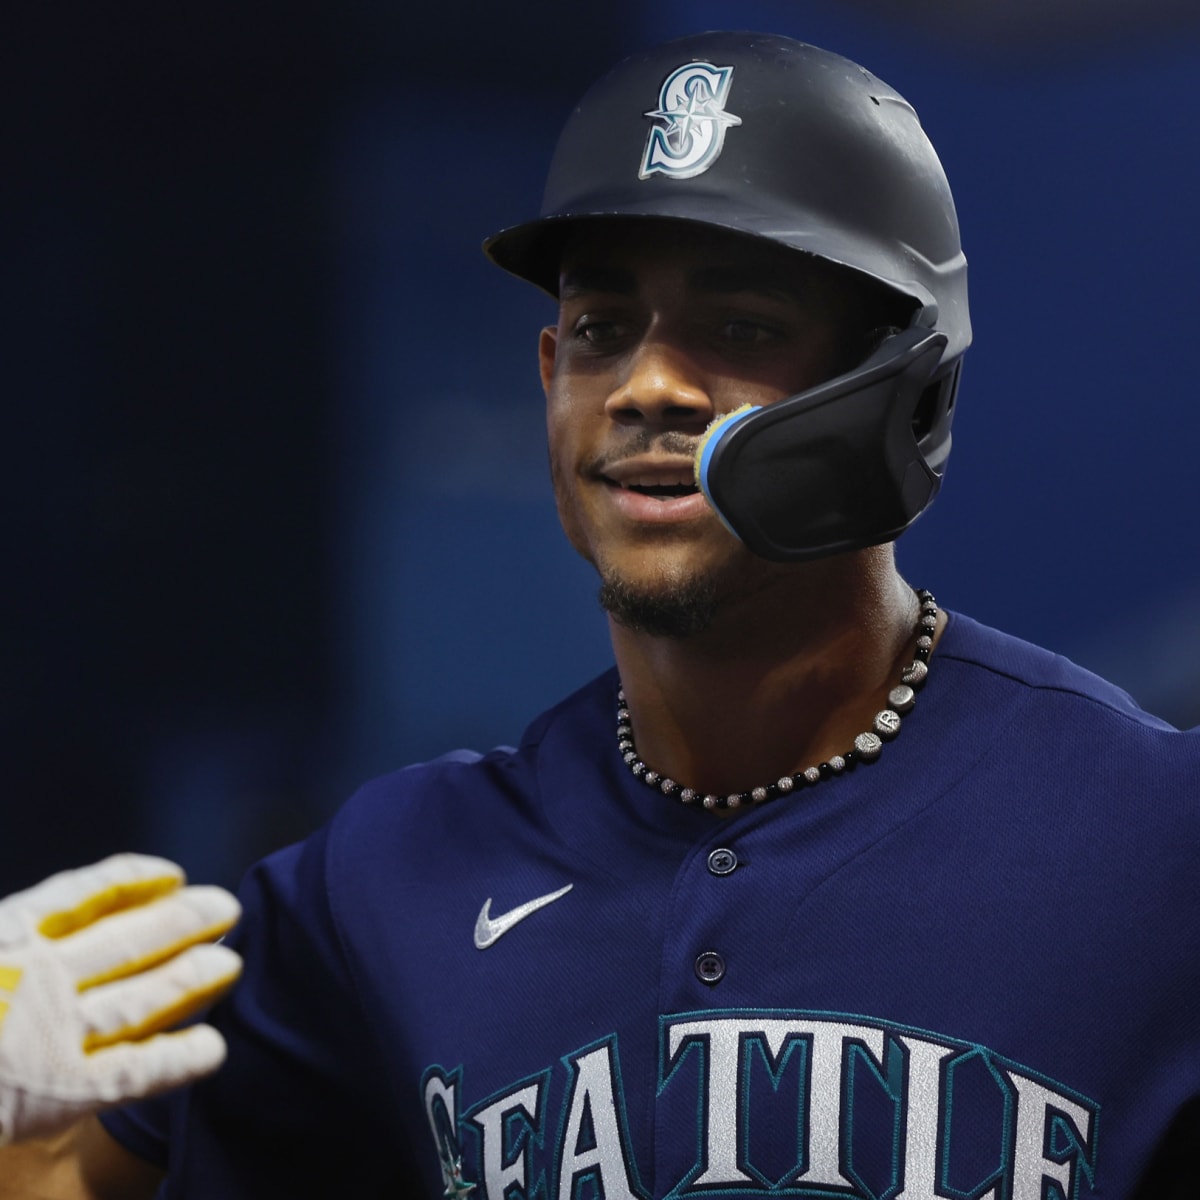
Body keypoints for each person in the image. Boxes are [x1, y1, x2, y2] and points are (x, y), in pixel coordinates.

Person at [1, 29, 1197, 1199]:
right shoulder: (385, 882)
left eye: (739, 329)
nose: (647, 387)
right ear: (546, 378)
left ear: (907, 391)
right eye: (601, 331)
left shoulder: (1155, 841)